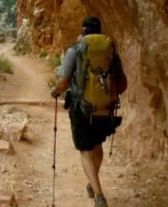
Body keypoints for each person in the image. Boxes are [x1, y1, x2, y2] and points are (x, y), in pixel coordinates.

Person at [50, 16, 127, 207]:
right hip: (105, 109)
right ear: (100, 31)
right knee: (97, 145)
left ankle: (99, 196)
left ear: (83, 31)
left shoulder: (75, 50)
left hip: (82, 109)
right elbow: (122, 84)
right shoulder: (111, 52)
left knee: (85, 150)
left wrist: (55, 92)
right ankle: (92, 185)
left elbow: (64, 82)